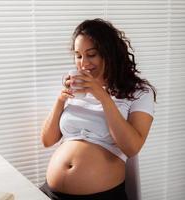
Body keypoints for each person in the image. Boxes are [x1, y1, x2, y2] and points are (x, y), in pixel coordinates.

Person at [39, 18, 156, 200]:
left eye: (91, 54)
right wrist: (60, 100)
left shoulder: (139, 93)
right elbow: (47, 140)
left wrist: (102, 96)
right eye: (78, 55)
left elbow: (132, 148)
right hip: (51, 193)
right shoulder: (75, 88)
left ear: (109, 54)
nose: (83, 63)